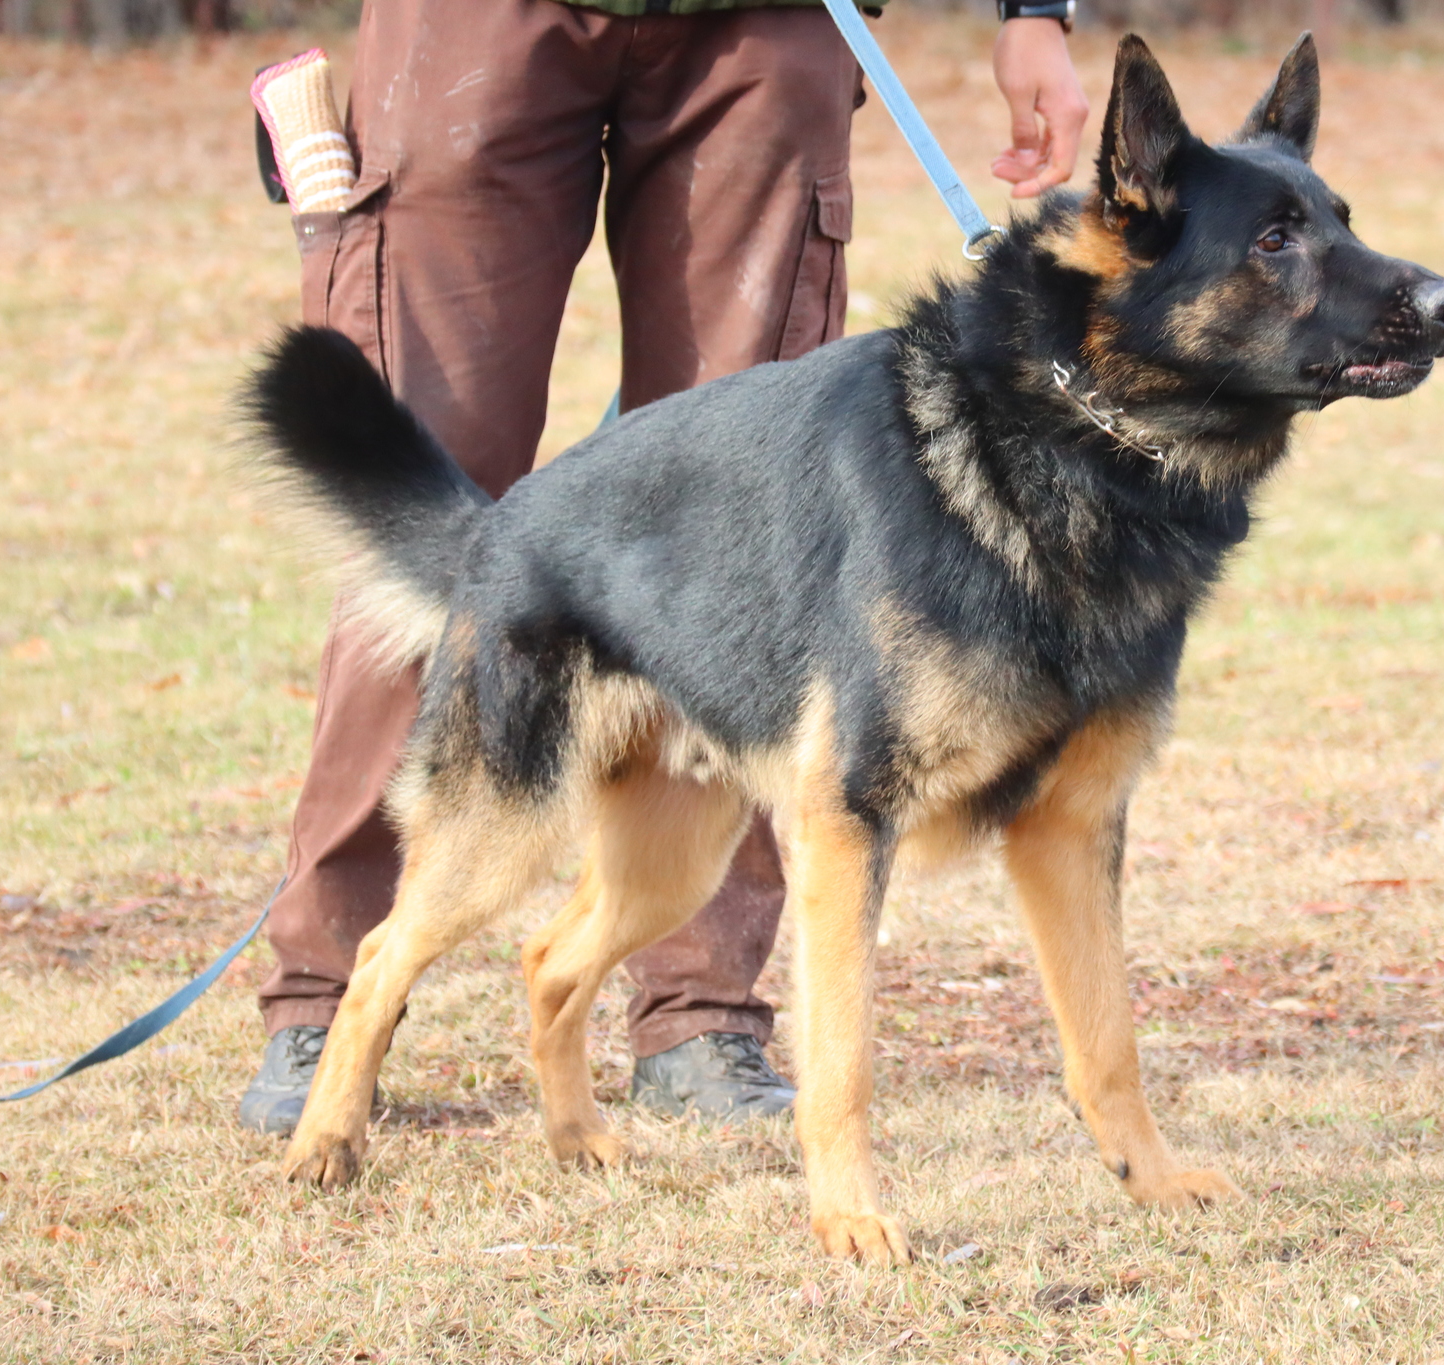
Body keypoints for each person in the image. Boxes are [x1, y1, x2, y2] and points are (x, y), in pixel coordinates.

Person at [240, 0, 1090, 1135]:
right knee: (431, 509)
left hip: (761, 29)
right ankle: (326, 998)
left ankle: (699, 1019)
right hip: (476, 24)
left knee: (750, 539)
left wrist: (1034, 13)